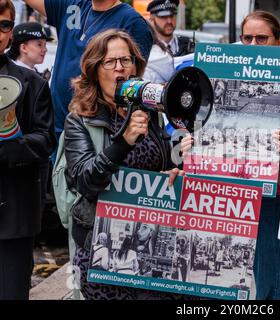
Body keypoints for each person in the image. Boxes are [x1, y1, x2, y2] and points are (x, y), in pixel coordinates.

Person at [180, 10, 280, 300]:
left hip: (268, 190)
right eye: (247, 38)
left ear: (279, 41)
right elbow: (197, 122)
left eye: (261, 38)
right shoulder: (213, 77)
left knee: (268, 270)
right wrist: (191, 141)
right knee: (218, 268)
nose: (252, 45)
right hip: (222, 187)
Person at [64, 29, 186, 300]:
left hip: (150, 244)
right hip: (104, 248)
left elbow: (163, 161)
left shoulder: (148, 111)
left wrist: (176, 167)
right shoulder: (80, 120)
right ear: (95, 70)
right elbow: (85, 180)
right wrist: (125, 140)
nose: (120, 67)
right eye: (110, 62)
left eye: (126, 60)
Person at [24, 0, 152, 144]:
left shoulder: (132, 21)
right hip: (56, 125)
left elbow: (132, 82)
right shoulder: (72, 4)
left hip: (97, 133)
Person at [0, 0, 55, 300]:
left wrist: (9, 147)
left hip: (13, 216)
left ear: (10, 32)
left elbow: (45, 140)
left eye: (4, 25)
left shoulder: (33, 83)